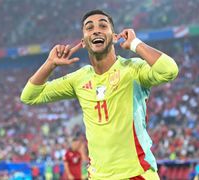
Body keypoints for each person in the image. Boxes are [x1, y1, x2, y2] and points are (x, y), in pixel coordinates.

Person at [21, 9, 179, 179]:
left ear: (114, 36)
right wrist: (50, 64)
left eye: (103, 26)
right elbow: (29, 96)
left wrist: (135, 44)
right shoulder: (79, 79)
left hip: (137, 173)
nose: (96, 30)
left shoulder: (133, 69)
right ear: (83, 42)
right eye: (89, 27)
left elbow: (170, 70)